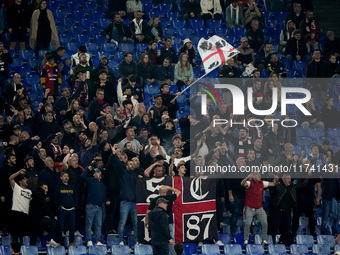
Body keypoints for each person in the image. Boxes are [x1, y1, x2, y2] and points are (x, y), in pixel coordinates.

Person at [241, 172, 279, 245]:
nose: (259, 176)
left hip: (259, 208)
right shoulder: (249, 183)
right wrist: (247, 178)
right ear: (253, 176)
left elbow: (274, 184)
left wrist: (276, 179)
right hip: (249, 207)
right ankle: (246, 239)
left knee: (265, 222)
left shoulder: (262, 183)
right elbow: (242, 183)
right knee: (248, 223)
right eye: (257, 175)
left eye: (259, 175)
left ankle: (264, 240)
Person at [81, 166, 109, 246]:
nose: (99, 173)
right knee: (89, 224)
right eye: (97, 172)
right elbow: (82, 176)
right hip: (91, 206)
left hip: (99, 207)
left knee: (98, 225)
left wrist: (107, 199)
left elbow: (104, 194)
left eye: (100, 172)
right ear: (94, 174)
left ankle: (97, 241)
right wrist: (87, 169)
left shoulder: (103, 185)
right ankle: (89, 240)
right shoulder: (91, 180)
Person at [29, 182, 59, 247]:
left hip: (34, 220)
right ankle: (49, 240)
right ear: (41, 188)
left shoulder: (36, 195)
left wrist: (43, 215)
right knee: (53, 221)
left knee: (33, 239)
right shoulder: (40, 194)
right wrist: (53, 216)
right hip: (36, 220)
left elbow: (37, 208)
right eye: (45, 188)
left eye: (47, 188)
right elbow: (45, 207)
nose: (47, 190)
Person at [9, 169, 32, 244]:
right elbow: (10, 178)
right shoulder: (16, 188)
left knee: (24, 235)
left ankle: (22, 250)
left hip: (25, 214)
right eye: (25, 179)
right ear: (20, 181)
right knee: (15, 234)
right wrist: (19, 172)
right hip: (16, 212)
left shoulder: (29, 191)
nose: (27, 180)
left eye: (27, 179)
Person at [54, 172, 78, 246]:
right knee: (60, 226)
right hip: (62, 210)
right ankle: (59, 242)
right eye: (65, 176)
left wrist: (75, 206)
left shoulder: (71, 187)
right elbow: (55, 199)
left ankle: (71, 242)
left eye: (67, 176)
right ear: (61, 178)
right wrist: (59, 206)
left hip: (71, 210)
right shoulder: (58, 187)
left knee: (72, 227)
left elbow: (76, 197)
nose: (66, 177)